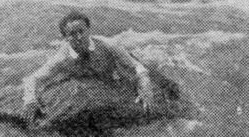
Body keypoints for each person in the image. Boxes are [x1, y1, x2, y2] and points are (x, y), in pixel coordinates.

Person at [22, 11, 155, 124]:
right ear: (65, 38)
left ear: (88, 30)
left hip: (109, 76)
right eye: (72, 34)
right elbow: (32, 78)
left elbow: (137, 67)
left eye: (81, 31)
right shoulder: (62, 58)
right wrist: (30, 101)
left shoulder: (108, 45)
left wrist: (145, 85)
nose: (79, 37)